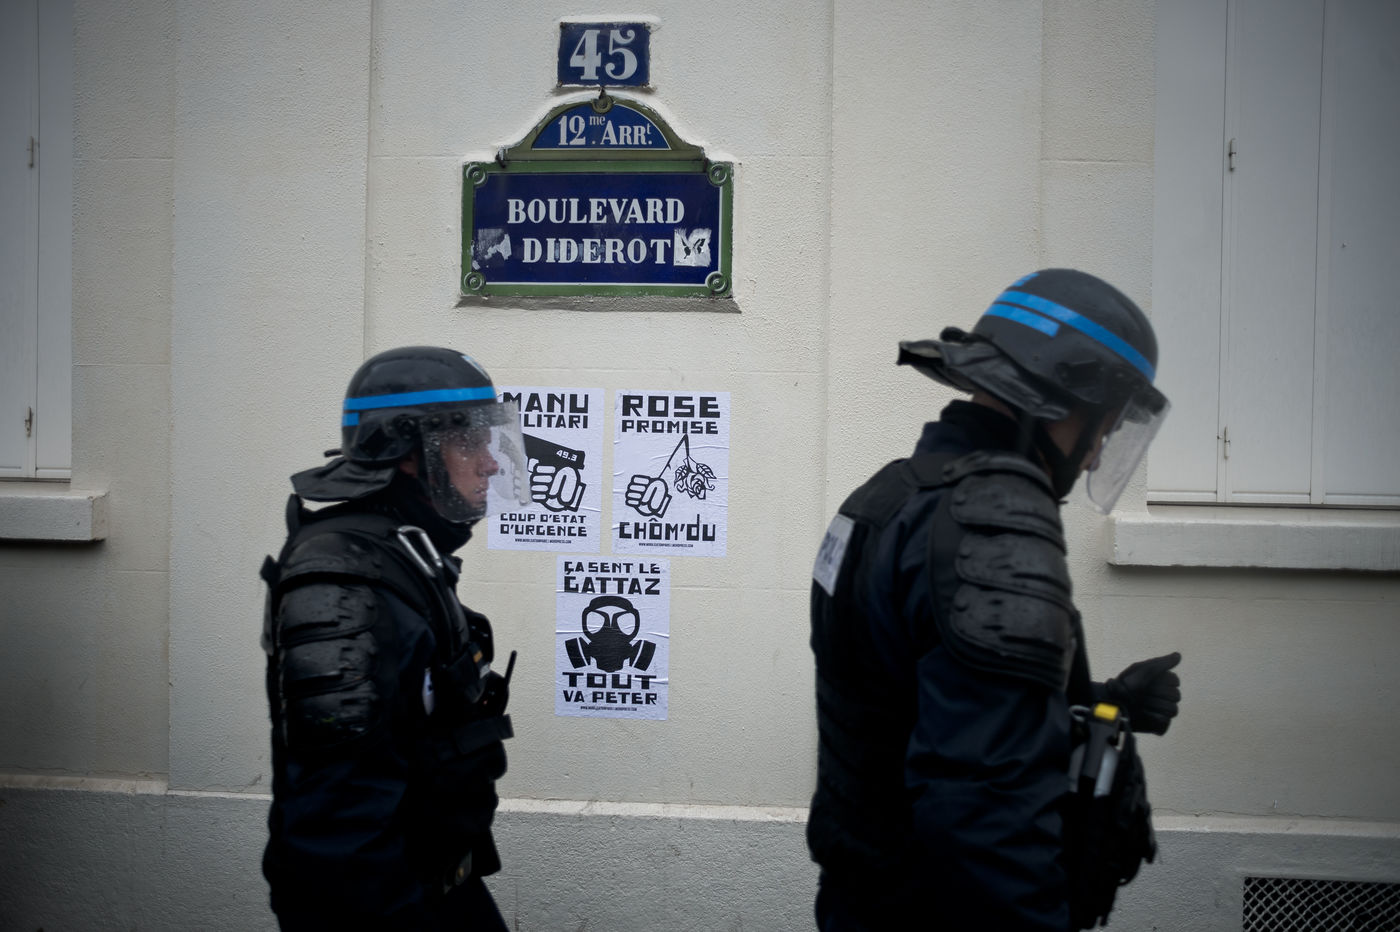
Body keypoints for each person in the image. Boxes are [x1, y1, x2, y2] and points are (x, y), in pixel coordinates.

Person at [808, 269, 1183, 931]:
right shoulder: (997, 520)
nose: (1096, 457)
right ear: (1064, 400)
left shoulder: (890, 496)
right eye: (1103, 428)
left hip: (862, 902)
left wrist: (1104, 700)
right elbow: (985, 817)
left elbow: (916, 694)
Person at [260, 346, 529, 930]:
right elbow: (336, 820)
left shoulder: (403, 551)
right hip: (383, 905)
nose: (491, 464)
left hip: (438, 887)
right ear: (409, 453)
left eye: (490, 443)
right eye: (470, 444)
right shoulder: (343, 581)